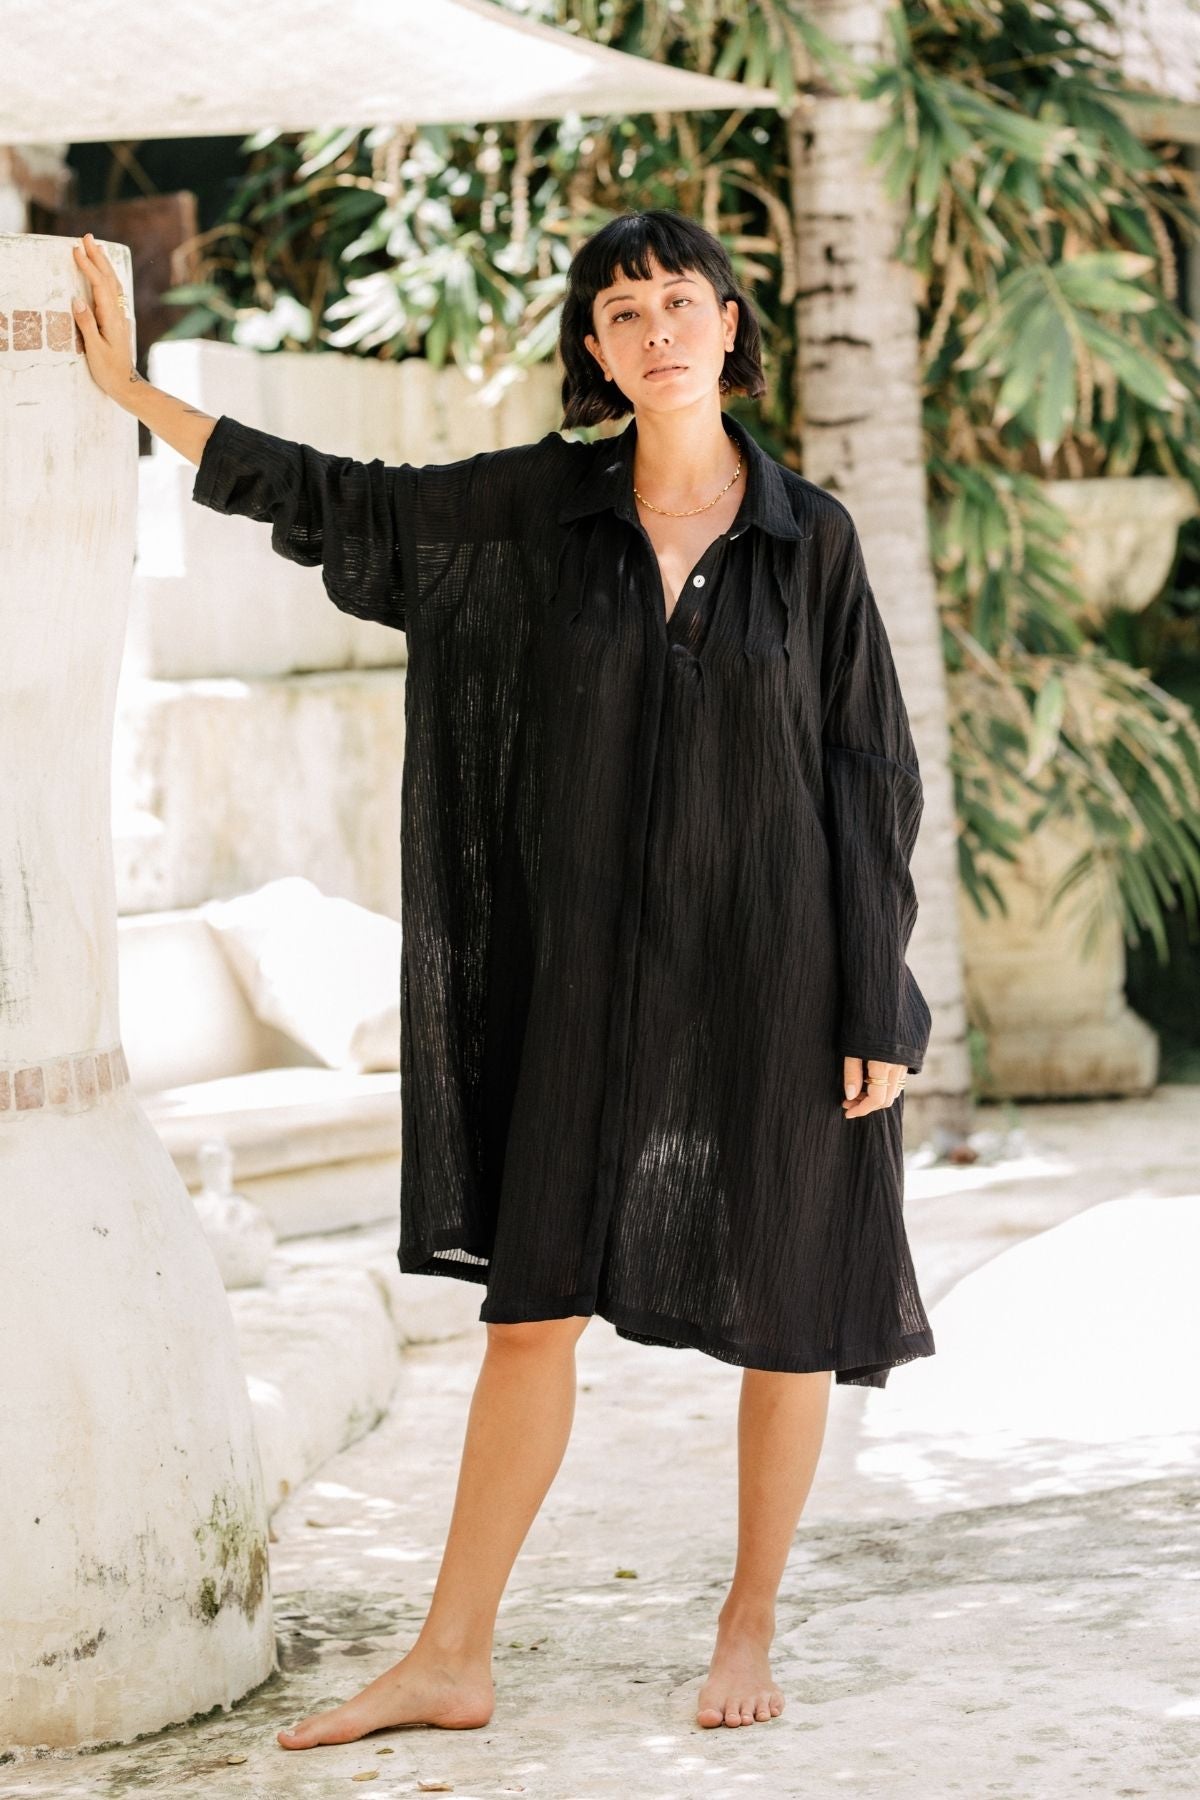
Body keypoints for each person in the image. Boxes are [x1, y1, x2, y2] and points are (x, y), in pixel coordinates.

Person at [72, 207, 935, 1741]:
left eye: (683, 300)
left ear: (734, 325)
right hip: (585, 976)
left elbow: (866, 774)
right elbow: (358, 503)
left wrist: (879, 996)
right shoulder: (540, 514)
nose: (658, 330)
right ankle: (449, 1655)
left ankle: (748, 1626)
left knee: (793, 1301)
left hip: (779, 977)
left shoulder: (816, 542)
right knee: (532, 1310)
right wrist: (145, 402)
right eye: (623, 313)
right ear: (593, 354)